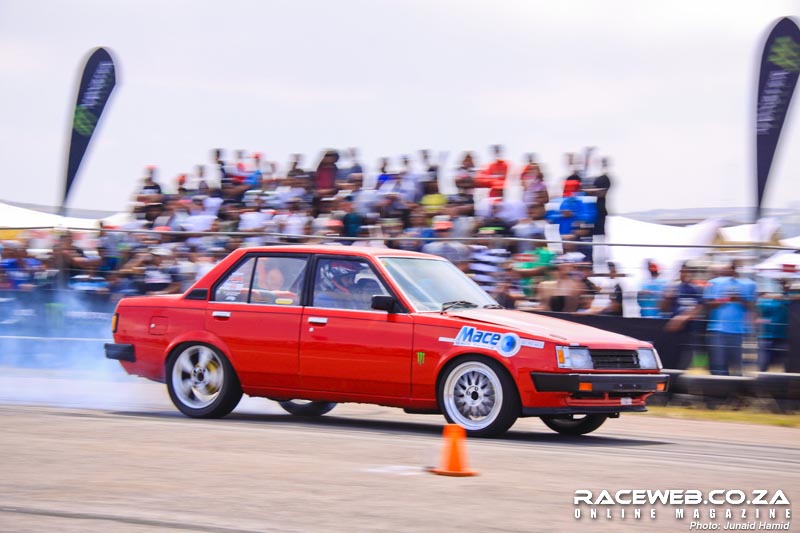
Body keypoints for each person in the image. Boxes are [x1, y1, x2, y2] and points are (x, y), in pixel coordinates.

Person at [703, 259, 756, 376]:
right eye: (731, 267)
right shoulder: (714, 283)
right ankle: (719, 392)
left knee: (736, 366)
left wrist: (740, 299)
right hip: (717, 330)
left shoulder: (749, 284)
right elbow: (707, 304)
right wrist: (725, 299)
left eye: (736, 267)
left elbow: (752, 306)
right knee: (718, 365)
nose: (733, 269)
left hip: (738, 331)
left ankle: (734, 391)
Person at [663, 262, 704, 369]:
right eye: (683, 272)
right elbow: (664, 309)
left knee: (687, 360)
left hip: (690, 331)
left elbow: (699, 308)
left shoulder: (696, 289)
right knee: (673, 360)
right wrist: (667, 298)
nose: (685, 274)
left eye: (688, 272)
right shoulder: (673, 288)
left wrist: (682, 318)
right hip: (675, 332)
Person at [756, 278, 790, 371]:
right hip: (766, 337)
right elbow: (759, 313)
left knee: (787, 368)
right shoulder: (763, 300)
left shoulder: (788, 298)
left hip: (783, 337)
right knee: (763, 367)